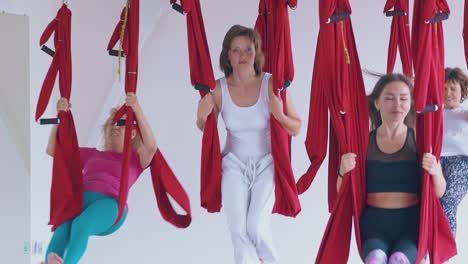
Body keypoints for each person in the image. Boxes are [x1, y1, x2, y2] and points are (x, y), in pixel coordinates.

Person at [196, 24, 301, 264]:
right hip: (233, 165)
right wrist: (201, 118)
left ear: (257, 53)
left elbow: (295, 127)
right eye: (236, 50)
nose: (243, 56)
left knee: (255, 225)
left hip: (267, 165)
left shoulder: (272, 84)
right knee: (238, 229)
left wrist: (279, 114)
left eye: (248, 50)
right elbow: (207, 132)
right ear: (227, 55)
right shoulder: (217, 89)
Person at [336, 73, 446, 264]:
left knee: (398, 260)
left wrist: (435, 172)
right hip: (374, 225)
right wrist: (341, 171)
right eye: (389, 98)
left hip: (410, 225)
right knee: (376, 260)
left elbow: (439, 192)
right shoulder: (363, 144)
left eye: (403, 98)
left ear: (411, 103)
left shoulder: (421, 141)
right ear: (377, 103)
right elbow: (342, 192)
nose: (397, 104)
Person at [42, 93, 157, 264]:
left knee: (81, 224)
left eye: (122, 123)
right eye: (112, 124)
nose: (115, 127)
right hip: (81, 202)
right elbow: (53, 151)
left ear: (132, 133)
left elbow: (151, 146)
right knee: (63, 226)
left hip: (111, 206)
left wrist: (137, 109)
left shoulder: (134, 159)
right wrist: (60, 118)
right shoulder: (91, 154)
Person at [440, 67, 468, 239]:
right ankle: (423, 251)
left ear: (462, 91)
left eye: (453, 88)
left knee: (448, 201)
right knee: (428, 203)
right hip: (434, 160)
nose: (448, 93)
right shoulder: (432, 113)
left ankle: (445, 246)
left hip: (460, 162)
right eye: (443, 88)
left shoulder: (464, 114)